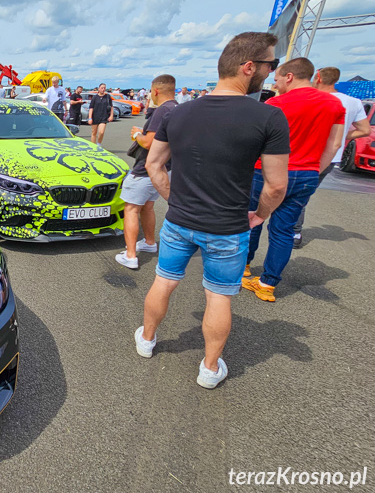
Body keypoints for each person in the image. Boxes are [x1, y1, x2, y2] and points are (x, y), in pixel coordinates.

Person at [135, 31, 290, 389]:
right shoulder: (269, 117)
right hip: (228, 225)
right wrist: (260, 215)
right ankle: (209, 367)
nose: (271, 70)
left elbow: (155, 165)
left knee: (164, 281)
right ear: (249, 67)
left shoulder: (181, 112)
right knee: (218, 295)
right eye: (270, 64)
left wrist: (175, 199)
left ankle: (146, 339)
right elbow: (277, 185)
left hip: (179, 221)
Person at [242, 58, 345, 302]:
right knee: (284, 230)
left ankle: (243, 267)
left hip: (265, 171)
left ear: (289, 76)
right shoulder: (334, 104)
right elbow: (336, 143)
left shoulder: (275, 104)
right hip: (307, 172)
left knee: (253, 218)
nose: (275, 84)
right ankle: (268, 283)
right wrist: (315, 170)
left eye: (276, 78)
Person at [292, 66, 371, 248]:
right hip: (332, 157)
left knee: (289, 193)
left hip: (304, 153)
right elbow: (365, 130)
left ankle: (289, 230)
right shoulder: (354, 102)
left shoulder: (313, 99)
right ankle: (294, 233)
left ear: (318, 78)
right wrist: (343, 137)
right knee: (302, 195)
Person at [115, 75, 178, 269]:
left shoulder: (162, 111)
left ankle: (131, 255)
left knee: (131, 208)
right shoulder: (178, 109)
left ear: (156, 91)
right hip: (166, 168)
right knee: (148, 205)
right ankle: (149, 242)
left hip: (145, 169)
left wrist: (137, 134)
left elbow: (149, 143)